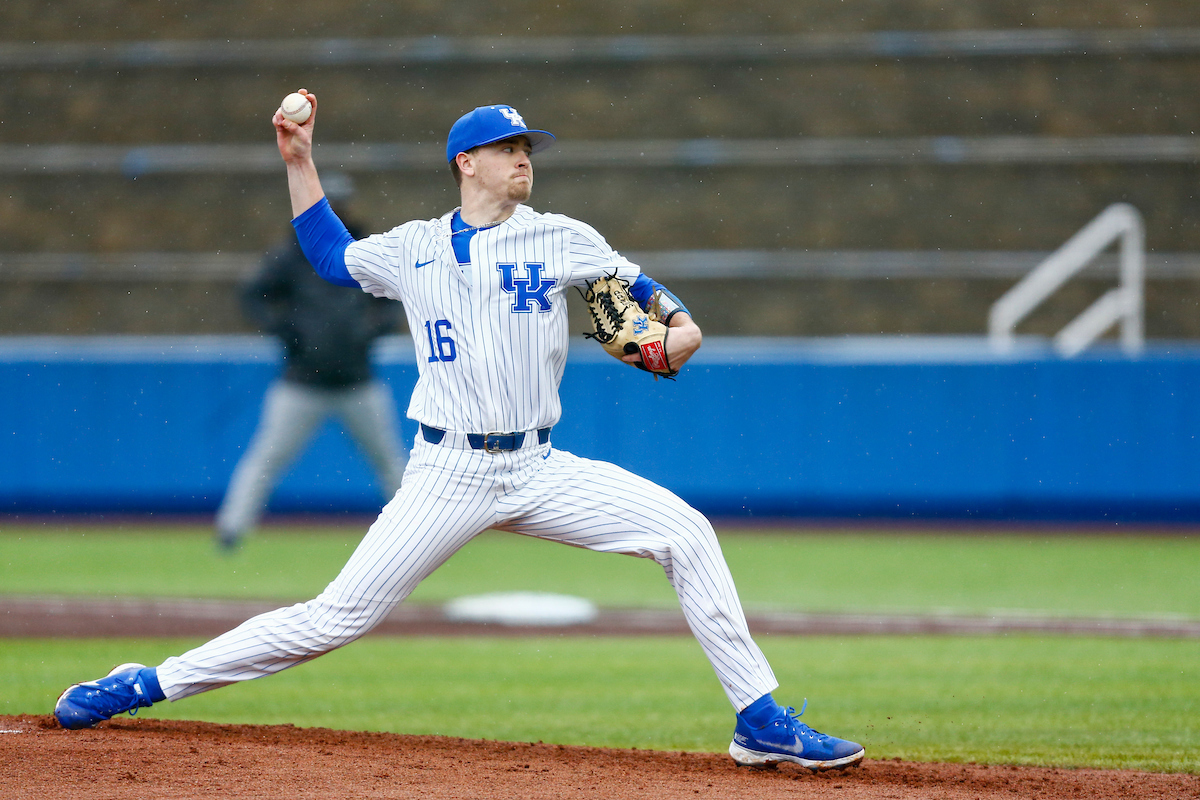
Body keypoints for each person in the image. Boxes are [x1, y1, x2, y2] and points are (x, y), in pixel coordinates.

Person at [53, 94, 865, 772]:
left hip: (541, 467)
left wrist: (676, 329)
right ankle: (149, 681)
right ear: (464, 163)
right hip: (447, 472)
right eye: (505, 147)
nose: (523, 158)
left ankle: (757, 720)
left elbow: (645, 295)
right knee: (335, 618)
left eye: (526, 147)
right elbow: (331, 256)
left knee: (686, 533)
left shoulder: (562, 235)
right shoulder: (413, 248)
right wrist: (298, 158)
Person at [214, 172, 408, 551]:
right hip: (302, 381)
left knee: (391, 463)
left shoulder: (364, 248)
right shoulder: (291, 254)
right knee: (266, 459)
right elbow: (254, 295)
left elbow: (397, 302)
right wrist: (287, 331)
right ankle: (230, 531)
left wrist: (369, 332)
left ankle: (419, 536)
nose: (335, 209)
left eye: (339, 202)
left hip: (357, 380)